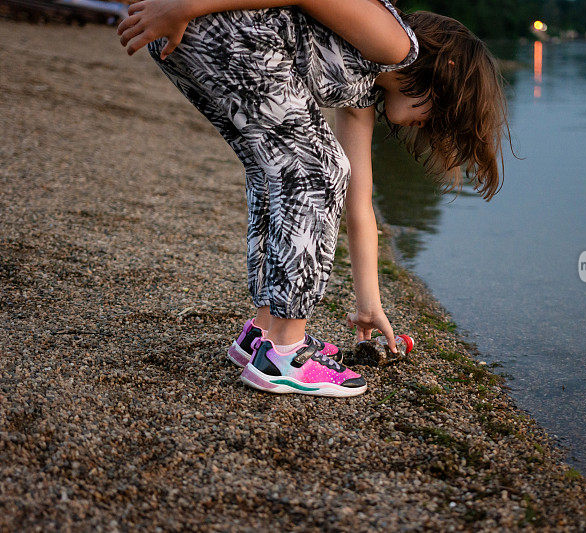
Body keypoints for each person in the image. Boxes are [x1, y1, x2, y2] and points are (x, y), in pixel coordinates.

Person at [116, 0, 510, 397]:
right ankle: (286, 354)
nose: (428, 125)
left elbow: (359, 204)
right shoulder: (394, 44)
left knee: (275, 168)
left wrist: (368, 303)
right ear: (446, 71)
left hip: (198, 39)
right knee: (315, 172)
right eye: (440, 113)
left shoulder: (363, 92)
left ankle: (264, 332)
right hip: (209, 26)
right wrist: (184, 7)